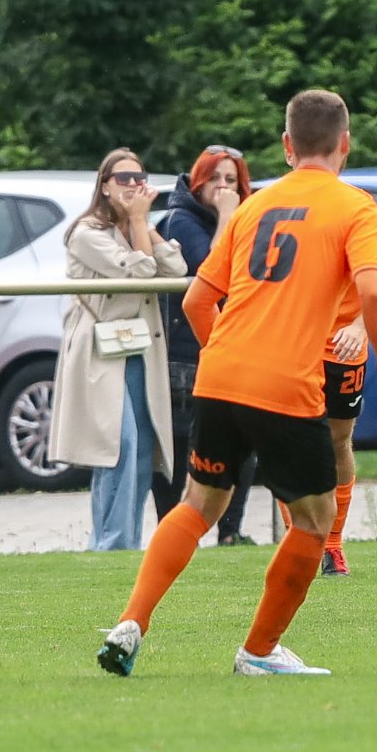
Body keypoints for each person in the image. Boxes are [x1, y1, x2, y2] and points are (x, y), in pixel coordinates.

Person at [96, 89, 377, 677]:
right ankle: (259, 651)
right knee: (314, 520)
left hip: (219, 375)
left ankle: (130, 622)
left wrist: (228, 356)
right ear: (345, 144)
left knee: (197, 504)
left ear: (287, 145)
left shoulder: (251, 207)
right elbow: (375, 291)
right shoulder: (355, 206)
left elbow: (197, 300)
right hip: (286, 384)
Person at [51, 149, 188, 551]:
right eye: (123, 178)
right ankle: (110, 545)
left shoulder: (135, 227)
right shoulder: (86, 232)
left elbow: (176, 268)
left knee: (143, 446)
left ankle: (125, 542)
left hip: (138, 348)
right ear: (105, 186)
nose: (132, 185)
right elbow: (140, 272)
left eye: (138, 178)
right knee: (117, 445)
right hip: (99, 350)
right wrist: (140, 222)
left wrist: (141, 225)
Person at [151, 145, 259, 546]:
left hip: (234, 345)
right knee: (179, 448)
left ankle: (230, 533)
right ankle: (173, 533)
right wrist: (229, 214)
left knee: (242, 440)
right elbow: (215, 270)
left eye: (231, 180)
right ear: (197, 182)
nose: (223, 187)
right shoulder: (180, 220)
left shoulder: (250, 219)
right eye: (215, 178)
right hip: (185, 352)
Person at [312, 232, 377, 577]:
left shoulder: (359, 212)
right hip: (292, 344)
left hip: (342, 349)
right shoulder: (278, 209)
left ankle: (332, 544)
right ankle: (301, 542)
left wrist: (361, 326)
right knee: (290, 440)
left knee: (337, 441)